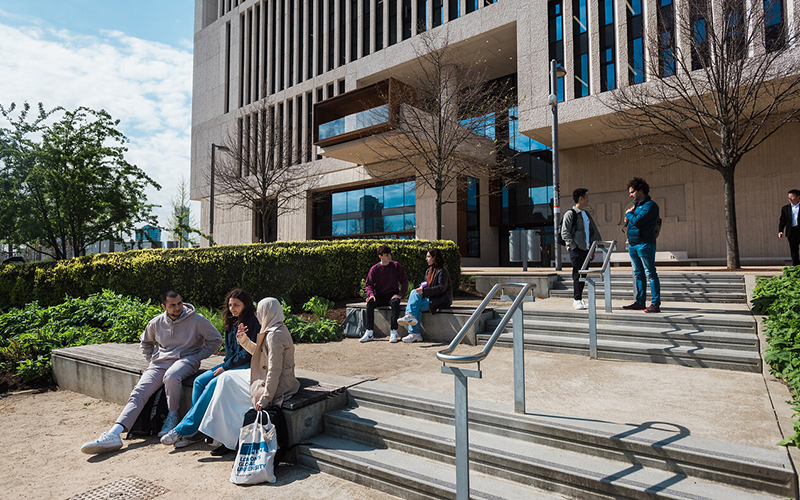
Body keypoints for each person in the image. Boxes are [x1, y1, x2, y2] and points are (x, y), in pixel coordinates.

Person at [81, 290, 222, 454]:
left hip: (186, 360)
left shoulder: (197, 320)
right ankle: (114, 433)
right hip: (159, 363)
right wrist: (151, 359)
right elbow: (145, 342)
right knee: (139, 392)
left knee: (172, 375)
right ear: (164, 306)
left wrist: (197, 356)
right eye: (172, 305)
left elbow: (216, 339)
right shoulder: (156, 322)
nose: (178, 307)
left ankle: (173, 417)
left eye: (179, 303)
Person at [198, 297, 300, 455]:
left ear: (267, 312)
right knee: (225, 380)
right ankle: (224, 438)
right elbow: (260, 355)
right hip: (265, 376)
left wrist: (265, 398)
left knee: (231, 390)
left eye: (259, 312)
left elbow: (274, 370)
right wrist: (243, 340)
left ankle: (227, 439)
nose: (256, 315)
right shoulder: (273, 328)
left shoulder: (275, 335)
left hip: (276, 385)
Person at [160, 288, 260, 448]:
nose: (232, 308)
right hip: (231, 364)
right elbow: (230, 352)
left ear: (245, 305)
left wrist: (225, 368)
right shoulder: (231, 321)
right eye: (230, 305)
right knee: (199, 381)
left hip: (246, 366)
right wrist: (225, 366)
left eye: (237, 305)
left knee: (213, 384)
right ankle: (196, 430)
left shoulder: (251, 322)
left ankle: (183, 429)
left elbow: (246, 355)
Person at [622, 177, 661, 313]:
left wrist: (628, 214)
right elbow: (634, 221)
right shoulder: (637, 206)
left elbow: (638, 221)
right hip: (633, 244)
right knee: (638, 274)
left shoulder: (650, 205)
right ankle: (640, 301)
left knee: (650, 273)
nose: (630, 195)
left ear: (640, 190)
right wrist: (629, 218)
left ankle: (655, 304)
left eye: (632, 192)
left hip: (645, 244)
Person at [397, 248, 452, 343]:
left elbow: (441, 288)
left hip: (440, 300)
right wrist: (422, 290)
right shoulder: (428, 271)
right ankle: (413, 327)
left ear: (435, 257)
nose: (426, 259)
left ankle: (414, 331)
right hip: (429, 298)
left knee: (415, 304)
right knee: (414, 295)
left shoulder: (442, 271)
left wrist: (424, 291)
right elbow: (425, 285)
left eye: (428, 257)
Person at [561, 188, 602, 310]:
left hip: (586, 249)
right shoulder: (571, 213)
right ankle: (576, 299)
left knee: (583, 275)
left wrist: (592, 249)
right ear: (581, 198)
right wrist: (573, 247)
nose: (588, 199)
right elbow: (565, 233)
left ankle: (579, 299)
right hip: (576, 249)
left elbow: (591, 232)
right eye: (586, 197)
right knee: (577, 274)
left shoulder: (586, 214)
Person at [360, 244, 409, 343]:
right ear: (380, 256)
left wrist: (400, 294)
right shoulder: (375, 269)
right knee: (370, 303)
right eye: (386, 255)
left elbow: (404, 281)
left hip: (392, 295)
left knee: (395, 303)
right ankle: (369, 332)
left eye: (390, 254)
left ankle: (393, 331)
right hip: (380, 295)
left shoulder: (396, 266)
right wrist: (371, 295)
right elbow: (368, 284)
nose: (389, 256)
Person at [779, 189, 800, 266]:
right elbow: (782, 220)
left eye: (792, 197)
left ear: (798, 197)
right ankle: (796, 266)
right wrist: (780, 230)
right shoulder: (785, 208)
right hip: (792, 231)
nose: (790, 199)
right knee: (794, 250)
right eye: (789, 197)